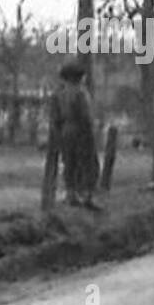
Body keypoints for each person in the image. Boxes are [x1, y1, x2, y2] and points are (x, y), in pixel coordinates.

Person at [50, 58, 100, 209]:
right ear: (78, 77)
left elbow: (55, 118)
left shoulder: (58, 94)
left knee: (69, 164)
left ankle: (71, 194)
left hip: (65, 132)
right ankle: (88, 196)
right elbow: (85, 116)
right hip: (81, 131)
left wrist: (59, 134)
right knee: (88, 163)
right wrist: (90, 131)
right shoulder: (81, 93)